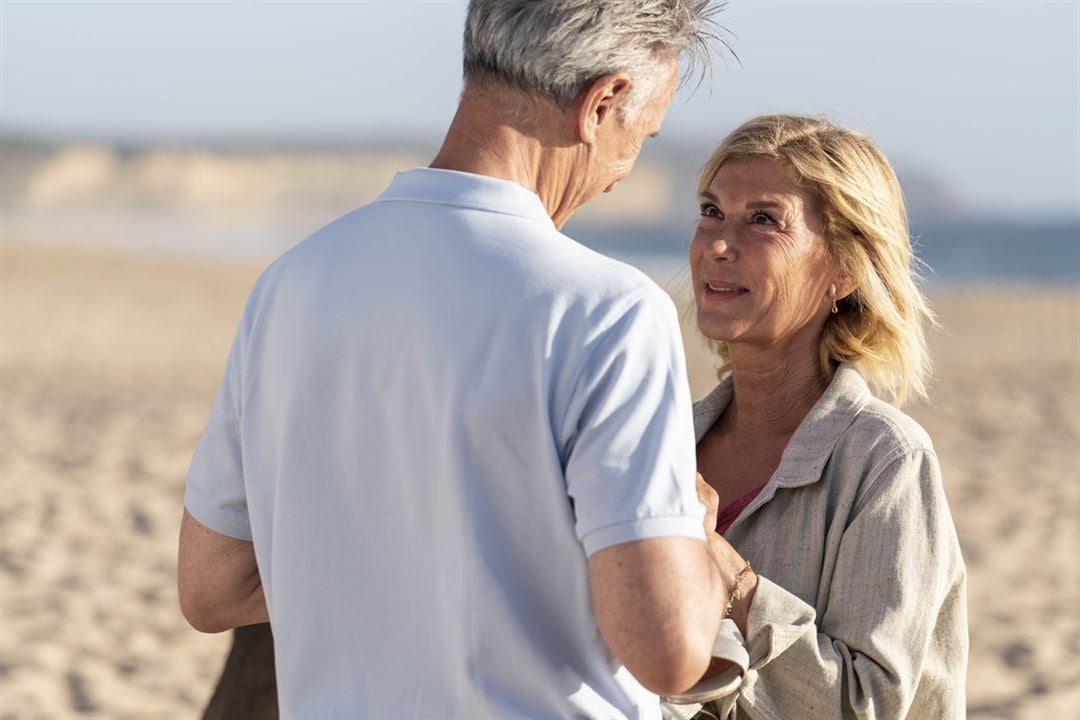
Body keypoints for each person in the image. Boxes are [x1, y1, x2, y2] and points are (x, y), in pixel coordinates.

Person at [177, 2, 740, 718]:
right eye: (643, 136)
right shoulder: (610, 312)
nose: (625, 171)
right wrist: (692, 541)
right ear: (602, 104)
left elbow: (209, 588)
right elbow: (666, 650)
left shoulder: (291, 283)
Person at [664, 114, 968, 719]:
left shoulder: (886, 460)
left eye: (763, 220)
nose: (718, 244)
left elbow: (868, 706)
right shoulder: (664, 443)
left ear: (844, 272)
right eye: (710, 210)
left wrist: (726, 571)